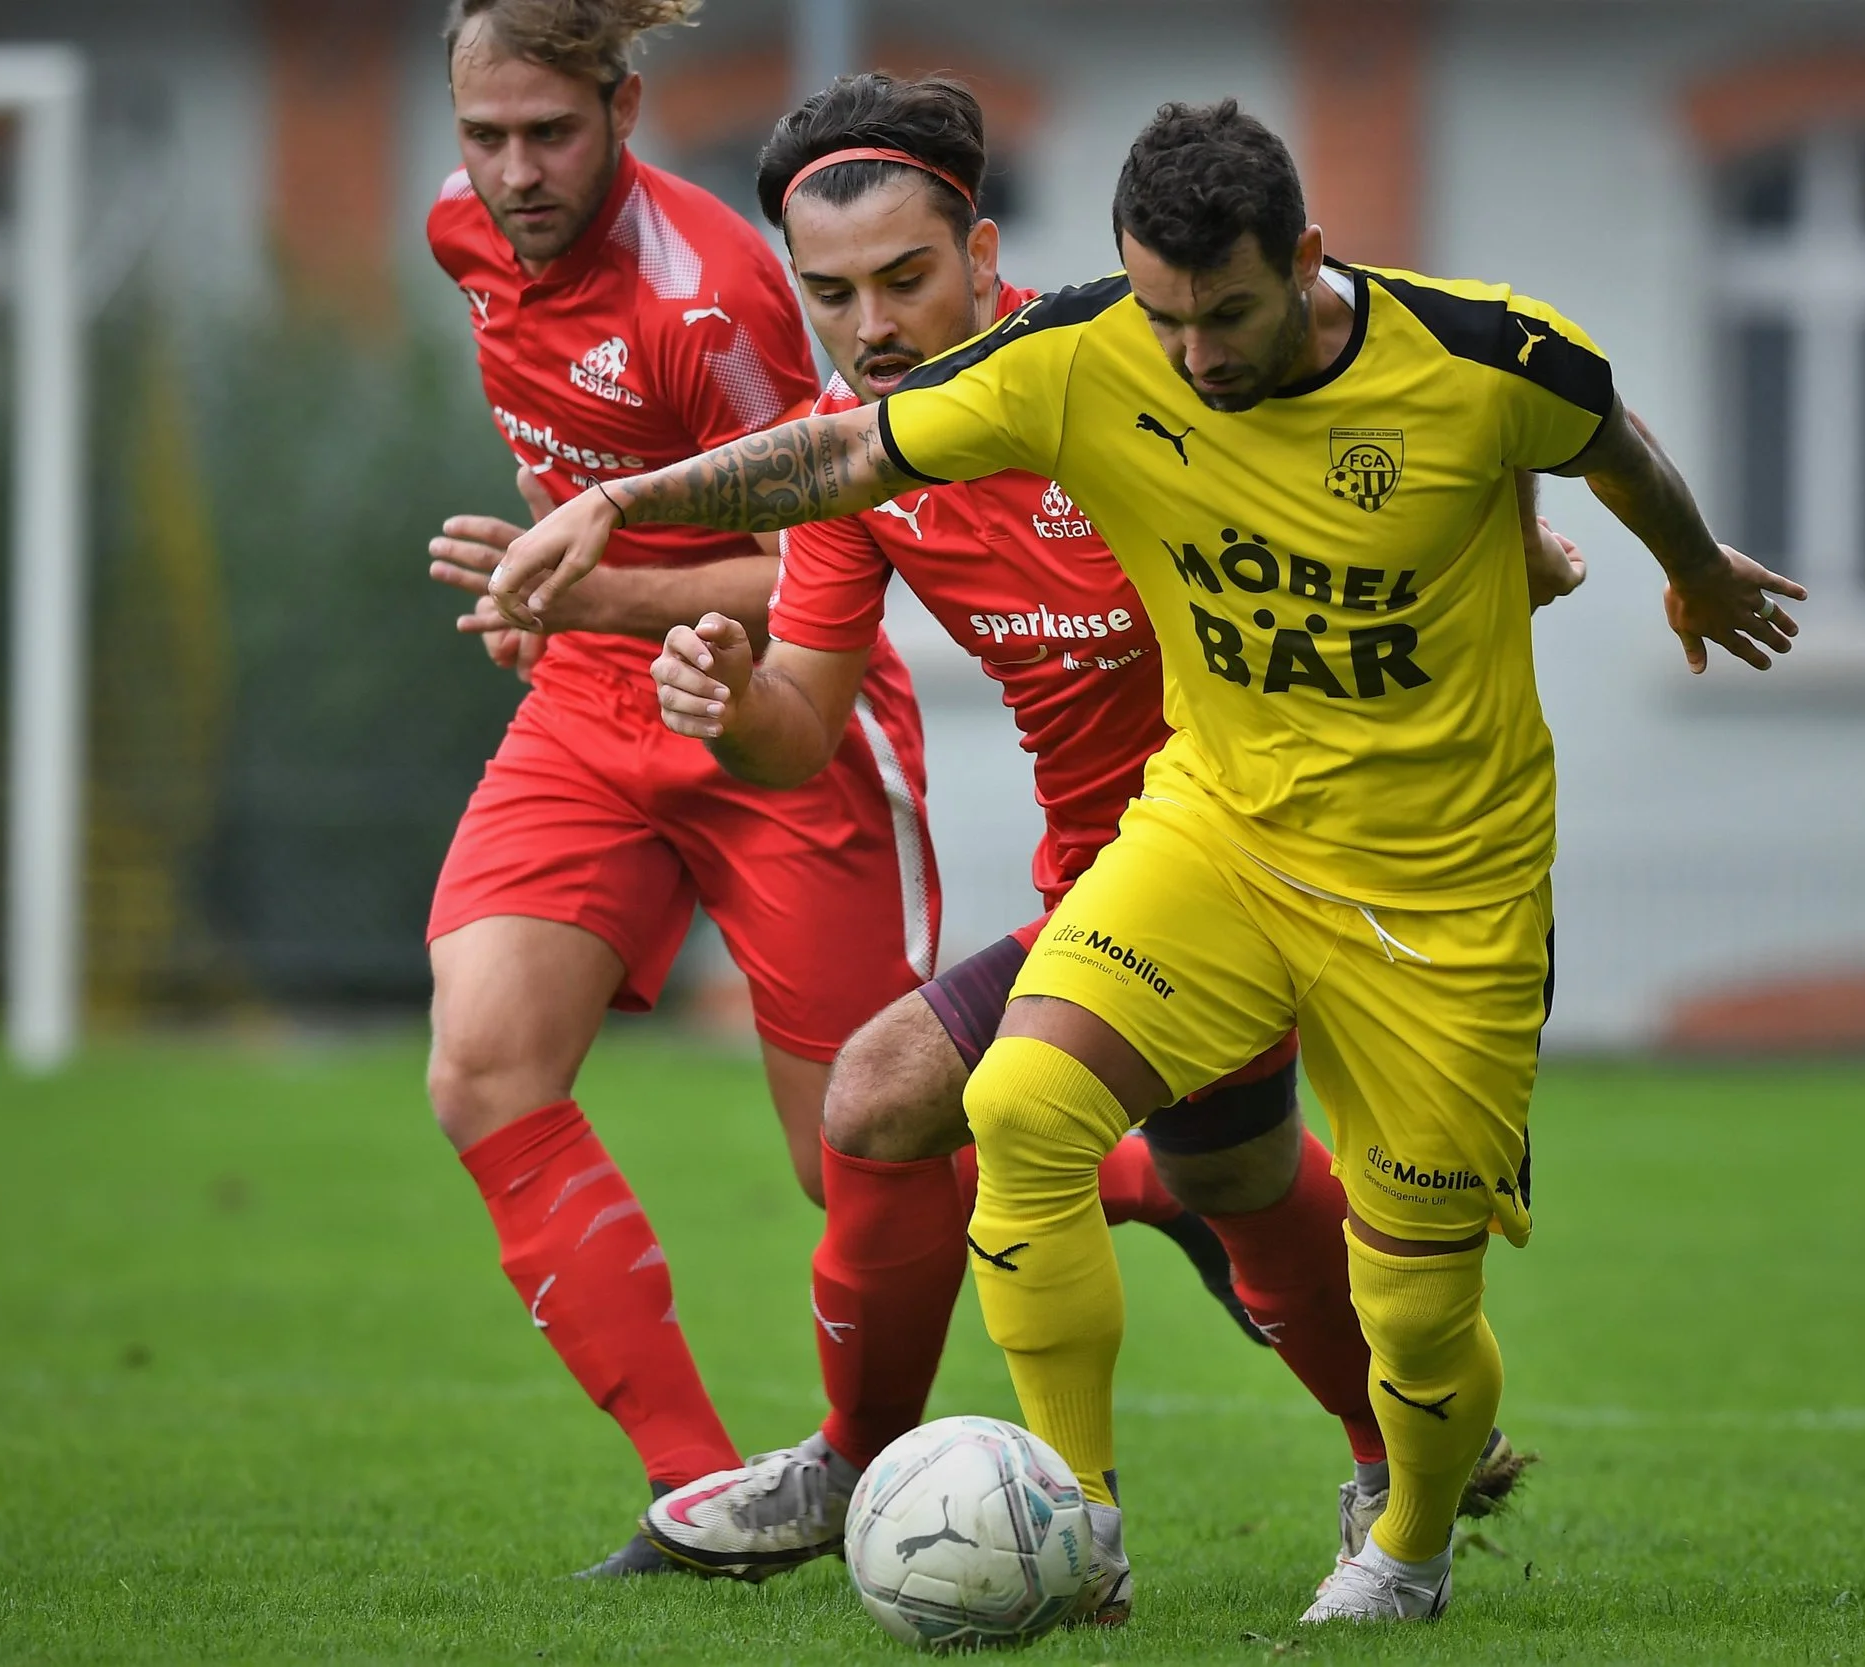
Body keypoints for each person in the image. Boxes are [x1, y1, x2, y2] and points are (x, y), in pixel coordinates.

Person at [487, 100, 1804, 1625]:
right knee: (1007, 1110)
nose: (1196, 355)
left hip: (1420, 890)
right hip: (1183, 858)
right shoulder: (1009, 406)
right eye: (831, 293)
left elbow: (1551, 439)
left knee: (1361, 1271)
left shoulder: (1342, 360)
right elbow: (821, 578)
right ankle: (1042, 1514)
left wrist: (1640, 565)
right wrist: (665, 602)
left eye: (904, 279)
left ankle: (1405, 1506)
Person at [628, 74, 1574, 1594]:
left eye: (904, 279)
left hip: (1276, 860)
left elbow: (1420, 400)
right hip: (1120, 881)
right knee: (1196, 1171)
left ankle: (1350, 1470)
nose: (868, 325)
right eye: (829, 295)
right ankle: (1354, 1463)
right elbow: (803, 720)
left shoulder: (1141, 370)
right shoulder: (852, 460)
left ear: (986, 257)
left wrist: (1511, 537)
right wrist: (728, 699)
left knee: (1023, 1129)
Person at [419, 7, 1239, 1579]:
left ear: (625, 106)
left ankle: (1154, 1177)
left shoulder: (716, 294)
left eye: (552, 134)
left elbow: (816, 523)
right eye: (485, 135)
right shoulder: (466, 243)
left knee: (854, 1147)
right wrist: (551, 571)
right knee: (483, 1067)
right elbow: (565, 462)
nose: (514, 172)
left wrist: (597, 587)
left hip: (787, 710)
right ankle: (705, 1492)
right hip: (590, 707)